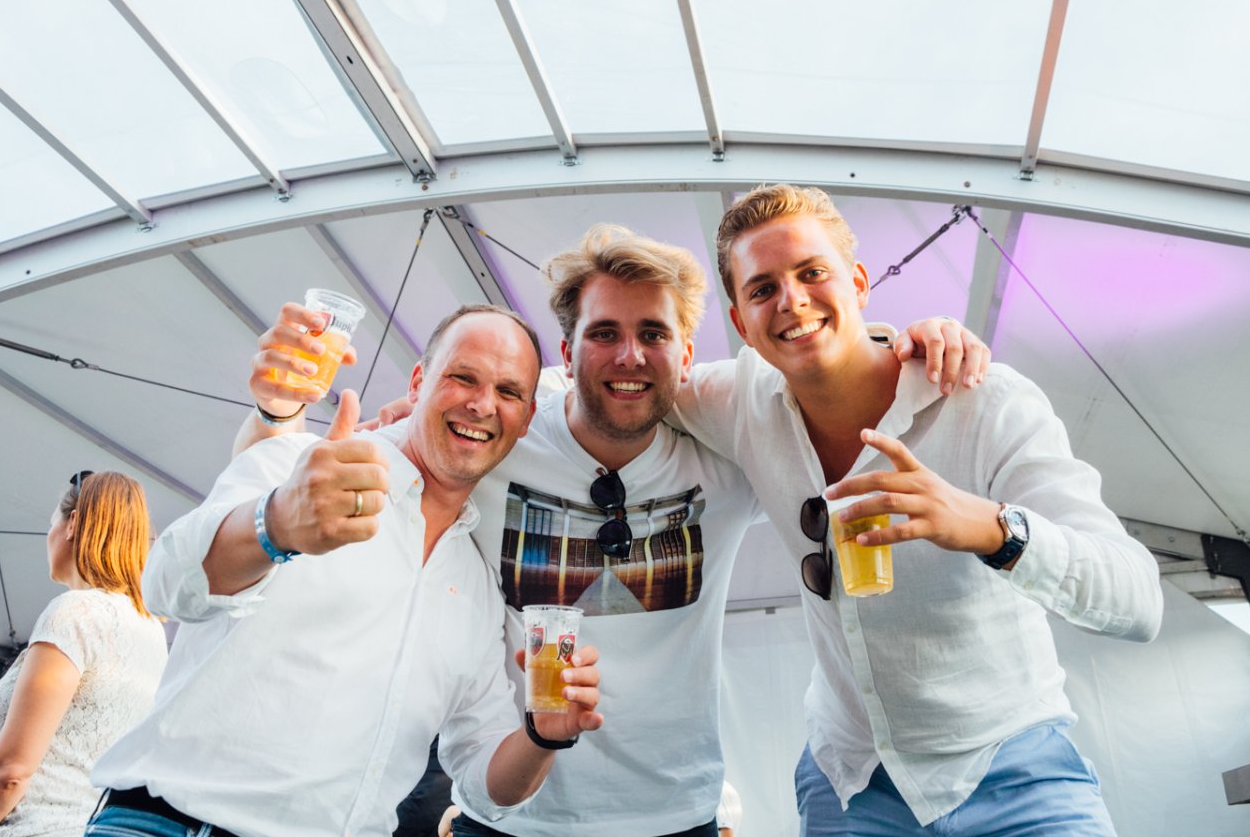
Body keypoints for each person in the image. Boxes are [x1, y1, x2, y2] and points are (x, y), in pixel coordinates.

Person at [233, 227, 988, 837]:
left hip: (674, 818)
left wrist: (901, 346)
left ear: (685, 357)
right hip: (509, 818)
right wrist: (276, 412)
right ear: (566, 356)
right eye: (604, 333)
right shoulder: (494, 435)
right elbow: (287, 477)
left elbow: (829, 391)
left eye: (653, 333)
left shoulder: (731, 454)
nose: (629, 356)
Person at [670, 184, 1165, 835]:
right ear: (740, 324)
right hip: (851, 781)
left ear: (858, 283)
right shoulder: (737, 401)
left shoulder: (983, 401)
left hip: (1014, 771)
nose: (790, 300)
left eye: (812, 273)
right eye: (762, 288)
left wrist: (992, 530)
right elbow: (613, 382)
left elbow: (1137, 601)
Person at [87, 306, 604, 837]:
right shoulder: (308, 465)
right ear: (419, 382)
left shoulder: (476, 586)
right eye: (462, 377)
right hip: (176, 825)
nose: (482, 404)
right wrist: (277, 523)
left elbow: (482, 784)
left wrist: (542, 738)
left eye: (508, 392)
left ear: (524, 421)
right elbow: (167, 584)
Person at [0, 470, 167, 837]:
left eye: (52, 523)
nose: (48, 535)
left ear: (73, 523)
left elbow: (9, 772)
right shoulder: (150, 630)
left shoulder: (74, 613)